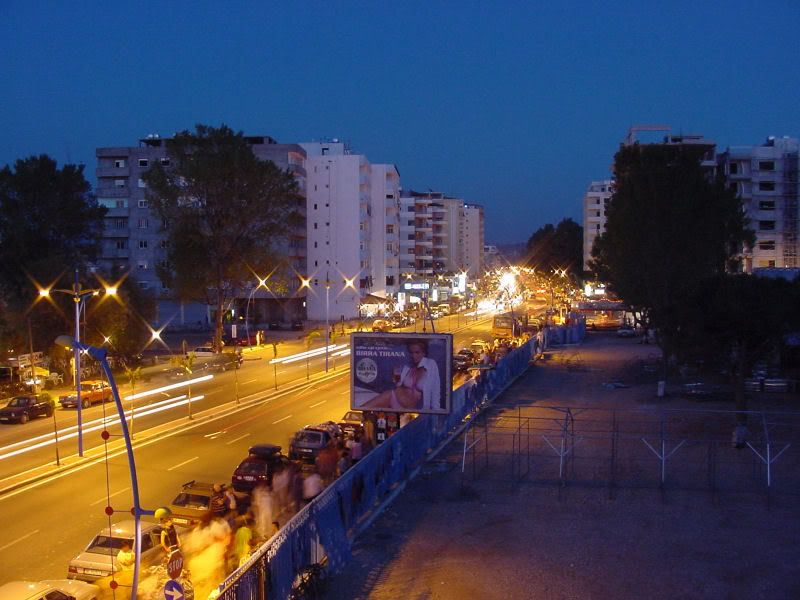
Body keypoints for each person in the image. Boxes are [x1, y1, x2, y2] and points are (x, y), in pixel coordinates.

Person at [362, 340, 442, 411]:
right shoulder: (407, 367)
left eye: (417, 352)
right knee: (364, 409)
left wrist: (436, 412)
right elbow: (397, 385)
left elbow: (436, 390)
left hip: (412, 410)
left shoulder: (430, 364)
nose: (414, 356)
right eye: (411, 352)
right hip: (393, 396)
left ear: (424, 353)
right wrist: (396, 379)